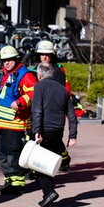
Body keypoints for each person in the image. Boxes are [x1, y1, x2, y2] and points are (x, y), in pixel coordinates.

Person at [0, 45, 37, 195]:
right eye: (4, 61)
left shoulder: (24, 74)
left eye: (9, 60)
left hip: (15, 123)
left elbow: (34, 92)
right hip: (1, 122)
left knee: (13, 153)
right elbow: (0, 96)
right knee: (2, 152)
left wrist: (20, 102)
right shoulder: (4, 74)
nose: (6, 63)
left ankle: (17, 184)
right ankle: (9, 180)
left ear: (16, 59)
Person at [31, 62, 78, 207]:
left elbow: (37, 110)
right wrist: (72, 135)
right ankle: (47, 195)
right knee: (48, 164)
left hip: (44, 130)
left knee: (38, 164)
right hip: (58, 131)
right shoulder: (63, 90)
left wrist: (36, 130)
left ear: (39, 75)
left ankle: (50, 192)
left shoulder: (39, 87)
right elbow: (72, 115)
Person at [29, 39, 78, 172]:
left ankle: (61, 160)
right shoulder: (35, 70)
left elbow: (62, 89)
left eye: (47, 55)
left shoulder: (58, 70)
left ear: (52, 55)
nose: (45, 57)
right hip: (39, 106)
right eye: (42, 54)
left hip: (54, 107)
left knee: (52, 138)